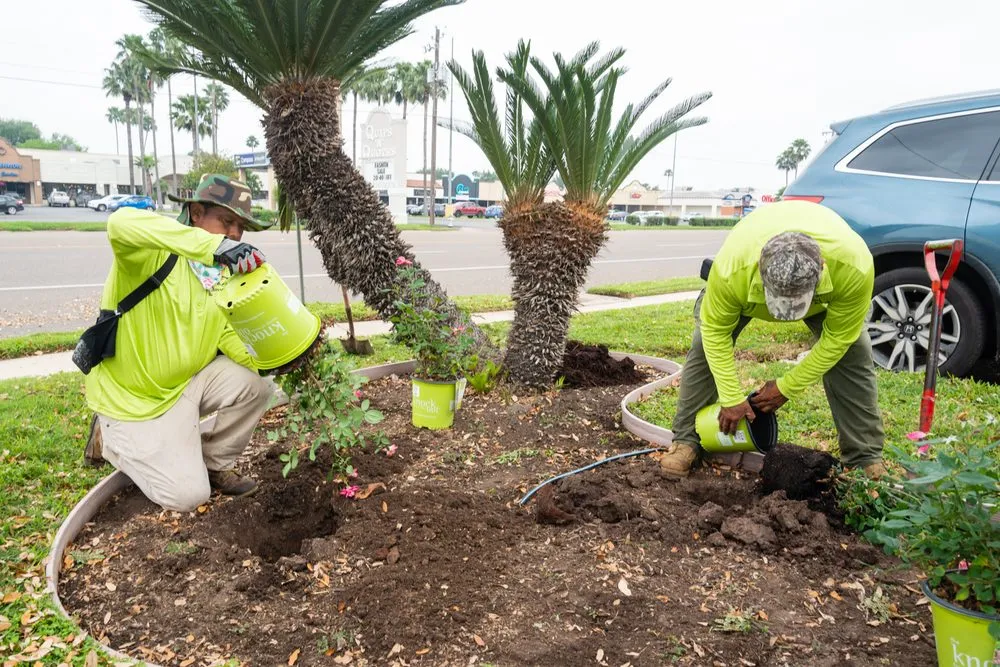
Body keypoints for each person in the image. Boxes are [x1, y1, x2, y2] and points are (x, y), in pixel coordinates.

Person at [83, 174, 275, 512]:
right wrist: (212, 247)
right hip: (134, 404)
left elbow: (227, 335)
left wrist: (274, 358)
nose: (234, 234)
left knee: (259, 382)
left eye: (240, 228)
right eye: (227, 221)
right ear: (197, 213)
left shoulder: (216, 275)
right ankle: (111, 439)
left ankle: (214, 463)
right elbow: (119, 222)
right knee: (188, 497)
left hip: (181, 389)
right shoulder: (152, 254)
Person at [660, 200, 886, 479]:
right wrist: (731, 397)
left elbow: (838, 338)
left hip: (824, 298)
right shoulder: (732, 269)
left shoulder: (854, 266)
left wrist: (786, 387)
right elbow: (715, 332)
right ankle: (686, 441)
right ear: (759, 266)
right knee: (702, 347)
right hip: (746, 293)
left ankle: (864, 456)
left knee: (854, 351)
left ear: (823, 267)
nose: (786, 313)